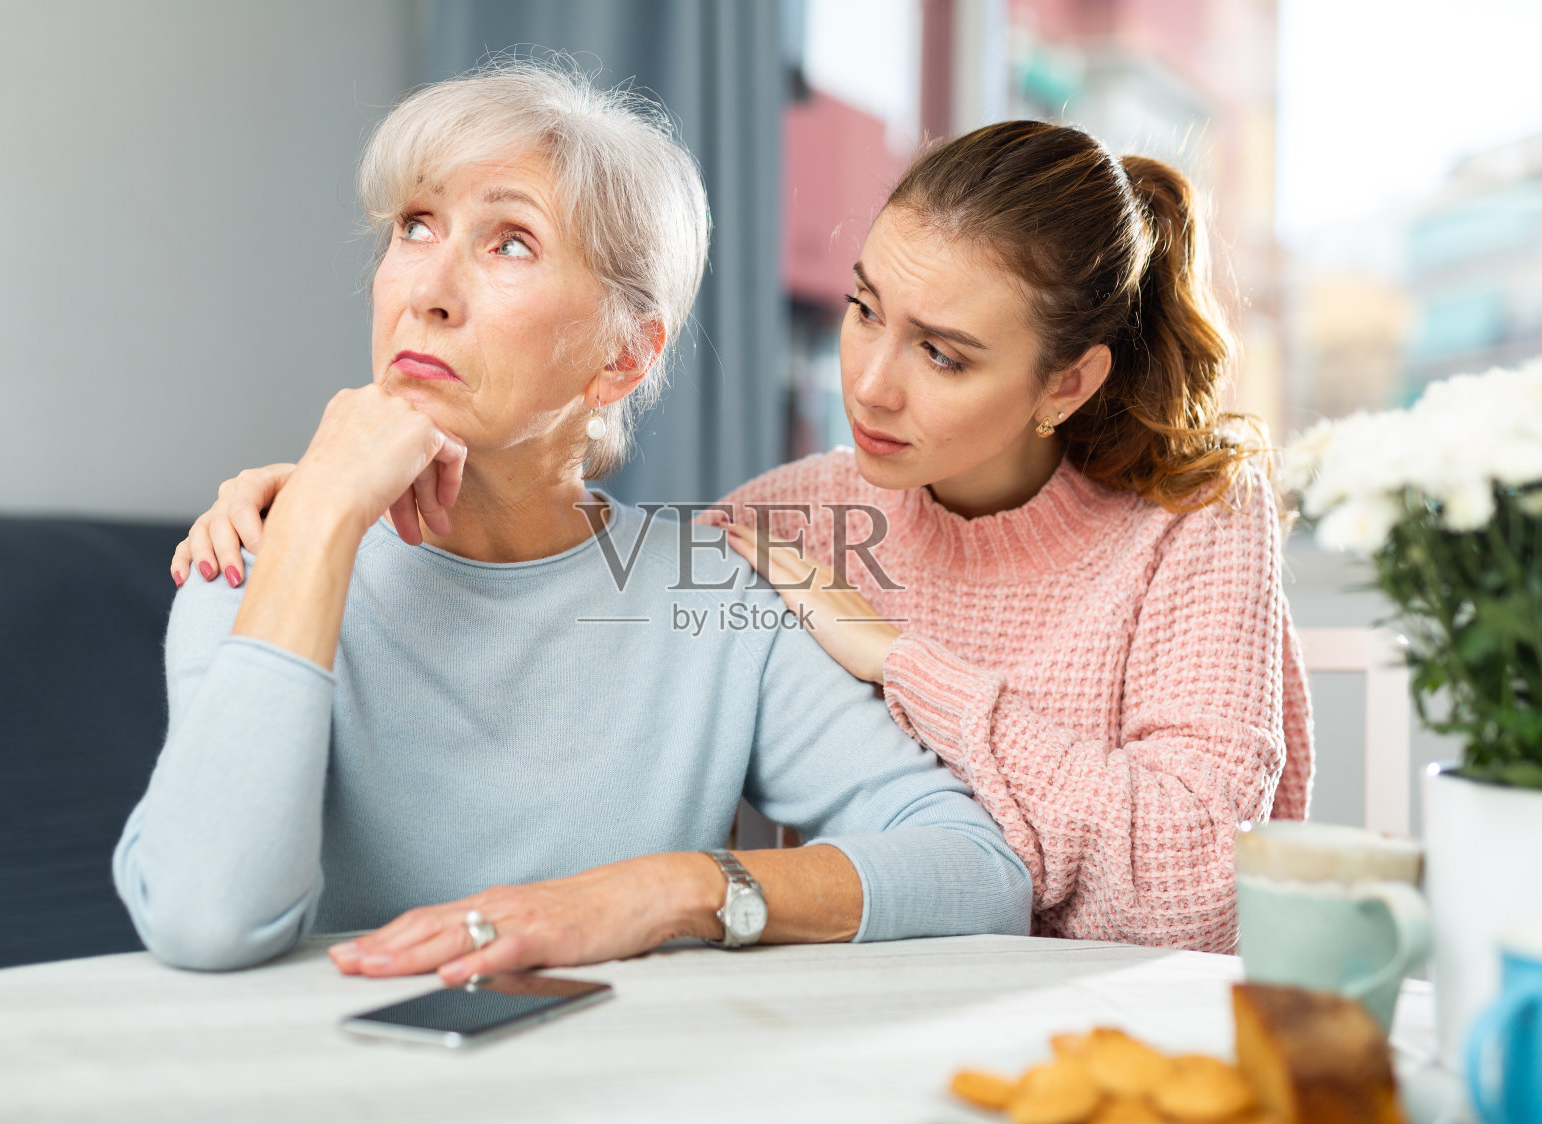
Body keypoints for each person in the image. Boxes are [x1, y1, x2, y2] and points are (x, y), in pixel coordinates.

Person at [176, 114, 1313, 955]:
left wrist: (892, 655)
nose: (865, 381)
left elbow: (1187, 890)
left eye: (944, 354)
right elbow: (594, 551)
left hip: (1146, 1008)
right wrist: (318, 506)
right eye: (863, 308)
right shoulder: (775, 528)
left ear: (1064, 382)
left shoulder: (1195, 518)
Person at [115, 59, 1033, 981]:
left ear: (623, 357)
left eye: (510, 241)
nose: (425, 289)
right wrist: (316, 524)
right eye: (415, 226)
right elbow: (205, 920)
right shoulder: (256, 555)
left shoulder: (706, 599)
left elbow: (975, 870)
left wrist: (670, 890)